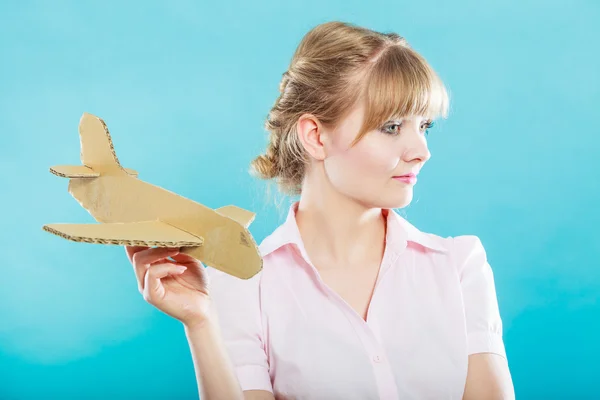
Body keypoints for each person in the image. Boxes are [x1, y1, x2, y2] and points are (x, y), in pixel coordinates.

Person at [125, 21, 515, 400]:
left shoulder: (459, 266)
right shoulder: (241, 285)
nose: (421, 152)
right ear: (315, 136)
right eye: (392, 126)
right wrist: (201, 323)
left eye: (425, 126)